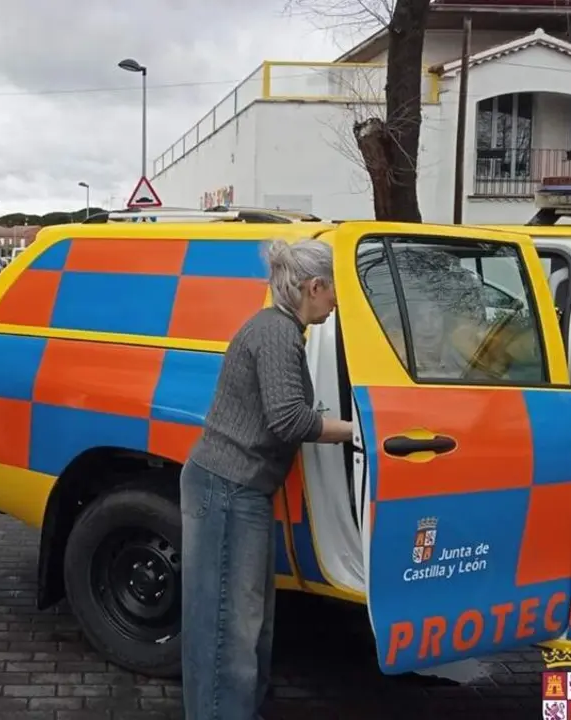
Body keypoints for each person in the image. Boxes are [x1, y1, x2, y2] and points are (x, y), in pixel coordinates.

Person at [180, 239, 355, 720]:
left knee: (243, 618)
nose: (337, 300)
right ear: (314, 286)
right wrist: (358, 431)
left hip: (234, 488)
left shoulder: (279, 329)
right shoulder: (277, 333)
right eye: (335, 289)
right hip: (227, 489)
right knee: (228, 625)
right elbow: (288, 421)